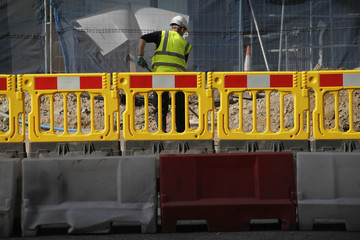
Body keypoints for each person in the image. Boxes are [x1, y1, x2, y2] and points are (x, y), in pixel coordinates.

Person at [137, 15, 192, 133]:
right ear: (182, 29)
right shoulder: (185, 45)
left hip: (160, 77)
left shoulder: (161, 35)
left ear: (172, 26)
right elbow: (183, 62)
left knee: (161, 106)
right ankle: (181, 132)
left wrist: (140, 56)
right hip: (178, 79)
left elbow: (142, 38)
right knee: (180, 107)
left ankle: (162, 131)